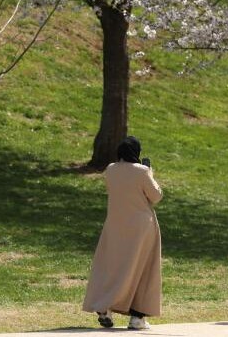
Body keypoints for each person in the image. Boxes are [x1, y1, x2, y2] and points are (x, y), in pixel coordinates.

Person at [82, 136, 163, 330]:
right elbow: (156, 196)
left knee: (112, 267)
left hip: (115, 225)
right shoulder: (142, 171)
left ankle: (105, 305)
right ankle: (137, 317)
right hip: (141, 227)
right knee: (143, 270)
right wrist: (150, 173)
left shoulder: (110, 170)